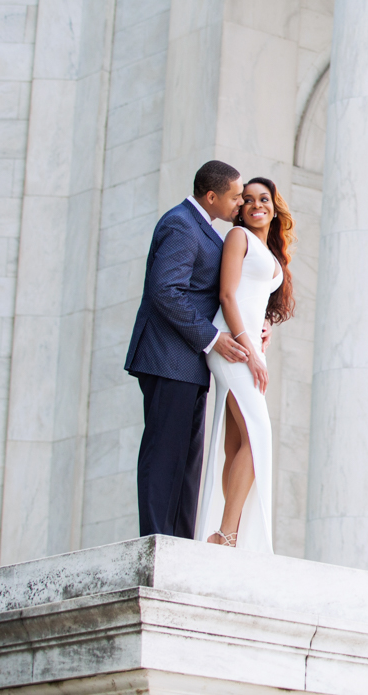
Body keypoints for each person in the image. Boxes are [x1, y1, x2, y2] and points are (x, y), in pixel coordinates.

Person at [127, 160, 251, 540]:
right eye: (235, 197)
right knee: (165, 453)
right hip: (168, 358)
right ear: (211, 196)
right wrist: (213, 339)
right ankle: (157, 540)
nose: (240, 204)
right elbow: (165, 290)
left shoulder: (205, 229)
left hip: (189, 364)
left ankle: (178, 541)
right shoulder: (181, 224)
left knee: (186, 459)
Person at [196, 176, 295, 550]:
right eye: (248, 199)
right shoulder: (238, 238)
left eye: (264, 199)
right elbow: (226, 294)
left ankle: (225, 533)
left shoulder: (269, 251)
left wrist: (265, 326)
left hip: (248, 343)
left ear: (274, 205)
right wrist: (247, 346)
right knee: (258, 435)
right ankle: (227, 534)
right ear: (240, 207)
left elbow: (255, 297)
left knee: (238, 442)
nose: (256, 205)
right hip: (232, 348)